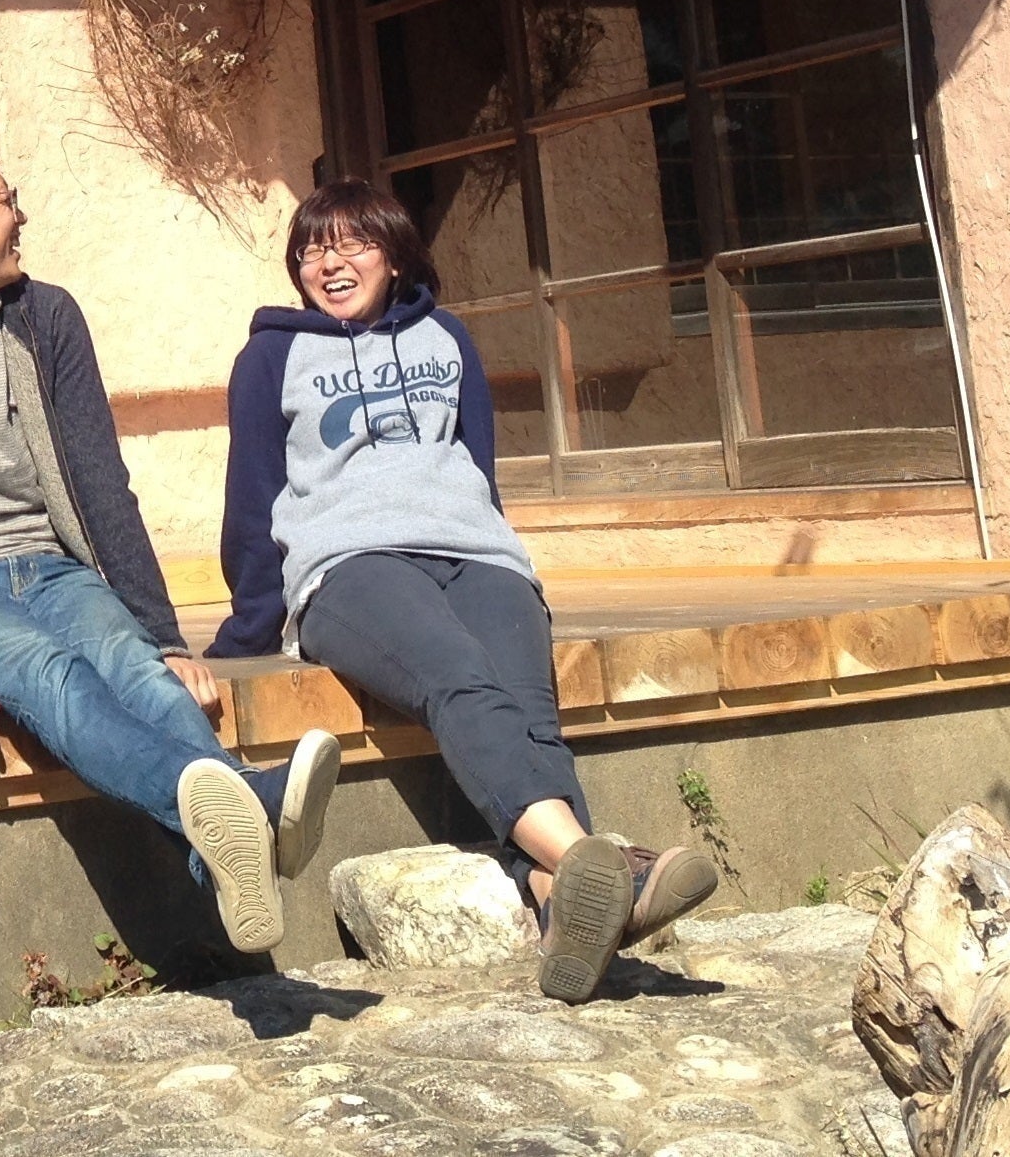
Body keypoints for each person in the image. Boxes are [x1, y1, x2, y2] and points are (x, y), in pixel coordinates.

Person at [0, 133, 341, 954]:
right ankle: (247, 802)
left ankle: (227, 838)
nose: (19, 215)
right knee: (53, 675)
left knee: (133, 667)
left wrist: (162, 635)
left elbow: (102, 486)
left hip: (52, 567)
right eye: (5, 199)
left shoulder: (46, 316)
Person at [212, 177, 719, 1003]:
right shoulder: (271, 356)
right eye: (310, 250)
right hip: (351, 562)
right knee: (457, 675)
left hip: (477, 553)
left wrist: (496, 550)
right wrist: (248, 630)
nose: (328, 263)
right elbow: (252, 495)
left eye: (351, 243)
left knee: (529, 711)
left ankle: (559, 898)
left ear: (393, 254)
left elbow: (476, 467)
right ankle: (602, 863)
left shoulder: (445, 336)